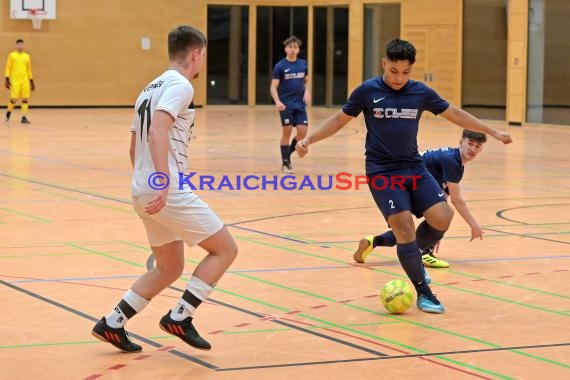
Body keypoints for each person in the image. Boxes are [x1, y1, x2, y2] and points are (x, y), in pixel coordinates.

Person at [296, 38, 512, 314]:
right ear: (384, 64)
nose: (399, 78)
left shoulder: (420, 93)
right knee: (404, 225)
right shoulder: (367, 91)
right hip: (382, 171)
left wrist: (493, 132)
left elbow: (455, 114)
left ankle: (408, 256)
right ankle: (424, 291)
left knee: (443, 217)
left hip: (413, 166)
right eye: (394, 71)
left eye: (405, 72)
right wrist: (308, 141)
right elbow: (339, 119)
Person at [92, 25, 238, 353]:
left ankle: (112, 323)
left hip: (142, 189)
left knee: (169, 267)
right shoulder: (180, 84)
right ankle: (180, 317)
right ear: (196, 53)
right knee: (226, 249)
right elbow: (158, 130)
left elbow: (134, 143)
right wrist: (161, 181)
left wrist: (144, 182)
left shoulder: (149, 87)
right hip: (165, 188)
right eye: (203, 56)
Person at [353, 129, 488, 268]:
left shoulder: (455, 161)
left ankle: (373, 241)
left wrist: (437, 232)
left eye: (477, 146)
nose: (472, 149)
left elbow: (443, 197)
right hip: (405, 180)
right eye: (470, 143)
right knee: (446, 213)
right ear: (461, 142)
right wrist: (474, 225)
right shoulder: (451, 160)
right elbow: (457, 200)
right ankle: (423, 253)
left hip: (403, 178)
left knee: (408, 227)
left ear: (481, 149)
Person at [270, 36, 310, 174]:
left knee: (302, 133)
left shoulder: (303, 64)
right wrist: (277, 102)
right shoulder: (280, 66)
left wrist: (307, 92)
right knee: (286, 133)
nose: (293, 50)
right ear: (286, 49)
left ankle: (288, 155)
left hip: (300, 105)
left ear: (298, 50)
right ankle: (285, 163)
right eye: (290, 47)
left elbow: (306, 81)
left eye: (295, 47)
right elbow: (273, 86)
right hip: (286, 105)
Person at [5, 39, 35, 124]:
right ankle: (8, 113)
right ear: (16, 45)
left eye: (22, 44)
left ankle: (24, 117)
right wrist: (6, 79)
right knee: (14, 98)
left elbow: (29, 69)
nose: (20, 46)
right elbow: (8, 67)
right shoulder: (11, 55)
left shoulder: (27, 56)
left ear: (23, 45)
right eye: (18, 44)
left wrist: (31, 81)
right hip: (15, 80)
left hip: (25, 80)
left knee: (25, 99)